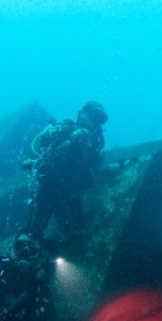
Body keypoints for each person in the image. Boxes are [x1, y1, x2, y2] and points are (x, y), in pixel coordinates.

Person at [20, 100, 108, 248]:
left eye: (99, 118)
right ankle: (31, 247)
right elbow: (46, 143)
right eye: (93, 116)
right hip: (50, 183)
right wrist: (71, 137)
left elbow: (95, 163)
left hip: (72, 190)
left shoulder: (97, 140)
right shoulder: (66, 127)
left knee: (76, 231)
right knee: (36, 227)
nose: (95, 122)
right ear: (82, 115)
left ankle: (66, 247)